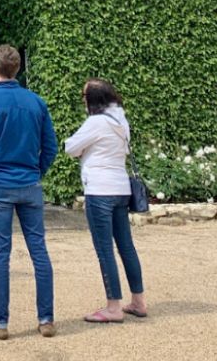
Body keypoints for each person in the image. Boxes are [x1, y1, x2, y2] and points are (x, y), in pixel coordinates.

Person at [0, 45, 58, 340]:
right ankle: (46, 319)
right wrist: (37, 172)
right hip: (29, 181)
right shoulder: (36, 101)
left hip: (0, 182)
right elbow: (51, 147)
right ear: (16, 68)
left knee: (1, 253)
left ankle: (1, 322)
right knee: (39, 251)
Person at [64, 78, 147, 323]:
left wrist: (83, 150)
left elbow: (70, 147)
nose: (82, 99)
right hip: (121, 189)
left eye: (84, 95)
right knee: (126, 246)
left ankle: (113, 307)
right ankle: (138, 301)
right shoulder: (121, 121)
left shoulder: (96, 122)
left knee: (104, 249)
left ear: (93, 99)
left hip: (99, 190)